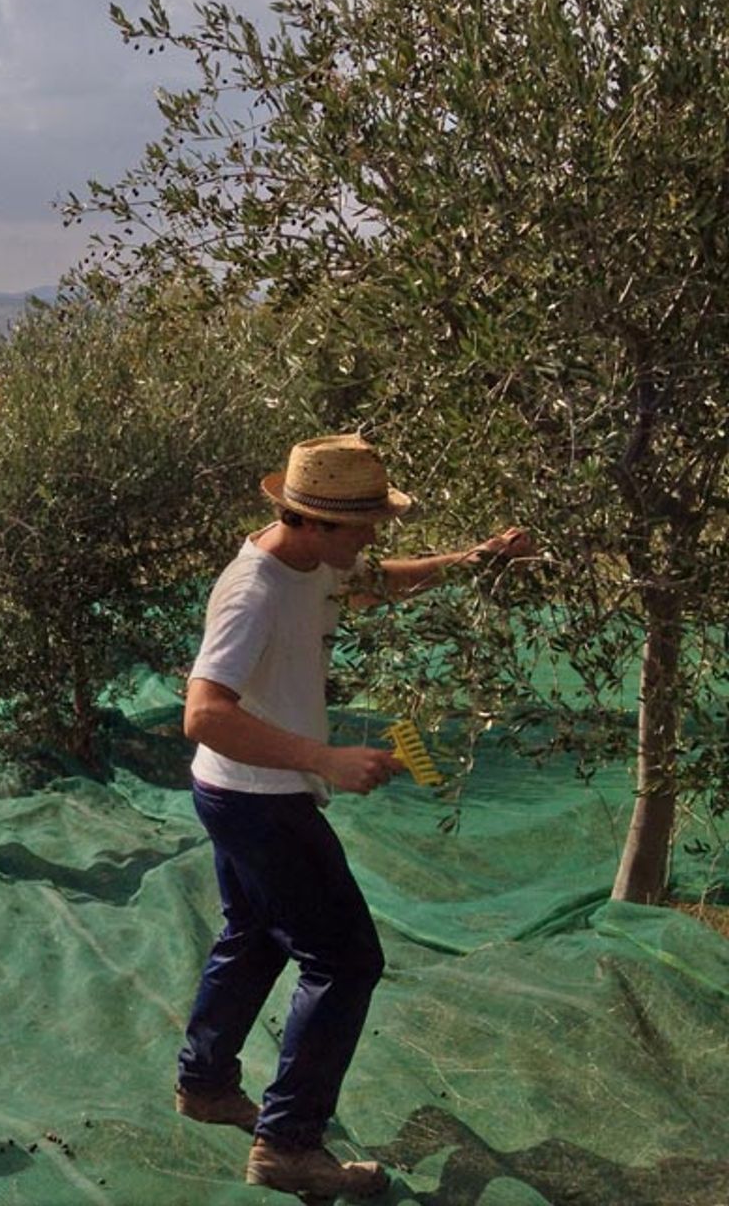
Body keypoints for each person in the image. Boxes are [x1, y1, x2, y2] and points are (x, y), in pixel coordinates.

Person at [173, 434, 530, 1198]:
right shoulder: (254, 590)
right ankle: (288, 1143)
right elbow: (202, 713)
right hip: (257, 799)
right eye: (364, 522)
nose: (375, 535)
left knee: (255, 932)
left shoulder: (316, 565)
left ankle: (204, 1082)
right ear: (311, 520)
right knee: (346, 960)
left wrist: (472, 559)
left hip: (234, 790)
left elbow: (376, 584)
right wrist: (323, 757)